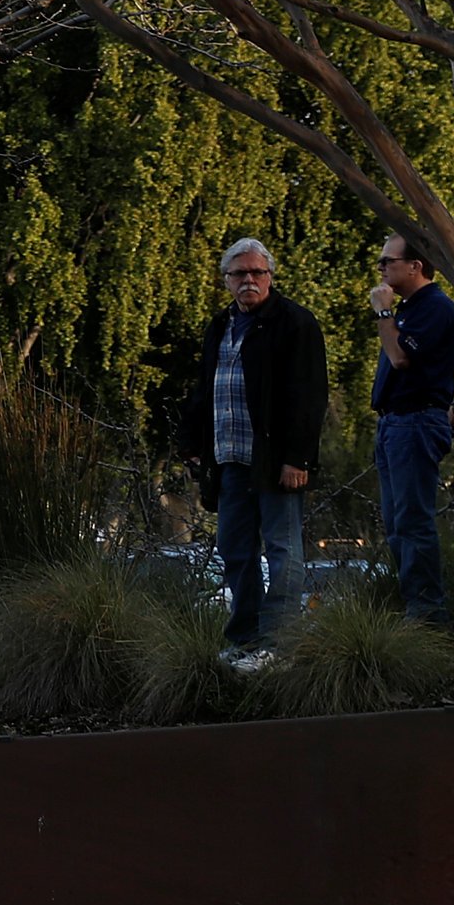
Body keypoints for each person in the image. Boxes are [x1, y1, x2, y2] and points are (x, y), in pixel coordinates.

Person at [175, 236, 328, 665]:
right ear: (226, 280)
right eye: (239, 273)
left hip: (276, 459)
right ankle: (243, 638)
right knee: (235, 549)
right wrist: (191, 444)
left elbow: (309, 396)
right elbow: (206, 388)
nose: (249, 280)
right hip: (228, 458)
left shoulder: (295, 323)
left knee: (282, 548)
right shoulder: (220, 325)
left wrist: (297, 458)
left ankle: (278, 642)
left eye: (257, 272)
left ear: (270, 276)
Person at [371, 230, 454, 621]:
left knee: (412, 519)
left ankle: (426, 611)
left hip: (416, 421)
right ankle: (414, 602)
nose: (381, 269)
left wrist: (383, 313)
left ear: (415, 265)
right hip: (394, 423)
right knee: (396, 522)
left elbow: (400, 358)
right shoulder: (409, 308)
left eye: (387, 261)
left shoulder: (434, 307)